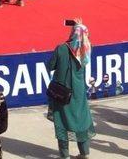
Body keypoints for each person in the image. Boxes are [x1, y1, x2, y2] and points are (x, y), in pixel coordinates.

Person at [48, 19, 95, 159]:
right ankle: (84, 153)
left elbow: (50, 65)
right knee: (82, 121)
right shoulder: (86, 48)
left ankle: (65, 155)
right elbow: (84, 35)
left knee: (62, 122)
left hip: (62, 92)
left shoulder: (61, 48)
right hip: (79, 93)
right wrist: (79, 25)